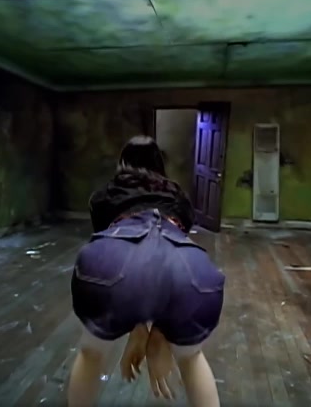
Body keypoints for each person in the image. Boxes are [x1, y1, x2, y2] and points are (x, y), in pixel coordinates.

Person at [67, 135, 225, 407]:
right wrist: (159, 333)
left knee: (91, 353)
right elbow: (164, 256)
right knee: (191, 357)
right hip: (191, 270)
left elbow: (126, 264)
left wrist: (138, 326)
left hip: (113, 265)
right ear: (159, 164)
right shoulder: (177, 195)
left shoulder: (105, 195)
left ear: (122, 163)